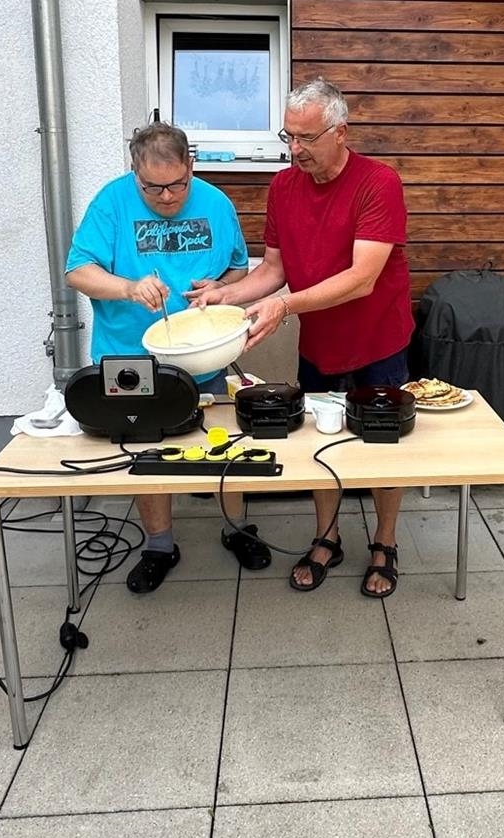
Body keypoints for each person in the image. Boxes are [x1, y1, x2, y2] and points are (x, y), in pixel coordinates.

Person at [190, 78, 413, 597]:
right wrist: (229, 295)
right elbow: (273, 269)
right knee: (321, 445)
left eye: (307, 138)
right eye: (288, 136)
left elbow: (362, 277)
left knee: (383, 447)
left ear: (341, 132)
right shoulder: (283, 188)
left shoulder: (378, 183)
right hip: (322, 343)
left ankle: (384, 541)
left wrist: (285, 304)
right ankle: (327, 536)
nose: (295, 150)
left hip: (379, 340)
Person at [66, 121, 271, 592]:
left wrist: (222, 285)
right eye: (152, 187)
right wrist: (128, 287)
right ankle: (159, 544)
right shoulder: (112, 202)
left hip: (203, 352)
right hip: (130, 354)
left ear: (191, 166)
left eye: (177, 184)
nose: (165, 196)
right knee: (143, 448)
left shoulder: (216, 204)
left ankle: (237, 529)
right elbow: (78, 270)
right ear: (135, 172)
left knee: (226, 442)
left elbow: (238, 265)